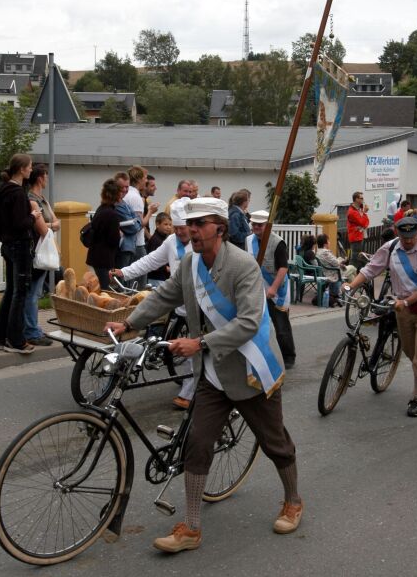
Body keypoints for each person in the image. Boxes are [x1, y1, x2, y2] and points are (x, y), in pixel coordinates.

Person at [106, 196, 303, 553]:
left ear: (220, 229)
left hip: (249, 370)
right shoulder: (190, 264)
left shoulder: (243, 266)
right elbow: (164, 296)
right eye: (190, 225)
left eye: (200, 225)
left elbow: (246, 323)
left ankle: (292, 500)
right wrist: (129, 323)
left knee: (275, 443)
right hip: (212, 375)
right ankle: (192, 527)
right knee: (198, 445)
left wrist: (199, 343)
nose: (191, 231)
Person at [345, 214, 417, 418]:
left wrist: (406, 301)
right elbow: (371, 269)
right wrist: (350, 286)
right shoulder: (390, 248)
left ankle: (415, 398)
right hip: (402, 309)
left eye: (412, 237)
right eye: (404, 237)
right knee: (408, 350)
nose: (408, 241)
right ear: (397, 232)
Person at [111, 198, 195, 410]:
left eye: (183, 228)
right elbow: (150, 261)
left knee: (193, 348)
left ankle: (189, 392)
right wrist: (124, 271)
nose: (180, 232)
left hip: (200, 304)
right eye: (176, 228)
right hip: (178, 300)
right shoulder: (171, 242)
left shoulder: (199, 243)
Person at [0, 154, 46, 354]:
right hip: (20, 247)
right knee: (20, 293)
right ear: (22, 169)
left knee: (10, 291)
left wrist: (0, 235)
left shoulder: (2, 189)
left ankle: (1, 337)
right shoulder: (17, 193)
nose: (31, 170)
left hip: (8, 246)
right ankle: (16, 340)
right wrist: (33, 216)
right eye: (30, 167)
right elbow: (19, 224)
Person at [246, 210, 296, 368]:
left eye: (259, 225)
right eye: (254, 224)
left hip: (276, 289)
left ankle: (289, 356)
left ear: (267, 226)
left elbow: (283, 268)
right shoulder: (248, 241)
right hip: (257, 287)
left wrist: (273, 288)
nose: (256, 227)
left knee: (281, 326)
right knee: (259, 324)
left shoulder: (277, 242)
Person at [24, 163, 60, 346]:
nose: (47, 179)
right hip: (37, 250)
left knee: (36, 291)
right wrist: (50, 226)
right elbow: (43, 228)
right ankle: (31, 330)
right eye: (46, 176)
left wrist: (50, 226)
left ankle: (32, 327)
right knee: (32, 292)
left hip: (45, 248)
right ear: (40, 178)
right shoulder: (32, 199)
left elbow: (55, 222)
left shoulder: (42, 199)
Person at [86, 179, 121, 289]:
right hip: (104, 260)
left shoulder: (101, 209)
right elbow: (114, 240)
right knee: (104, 291)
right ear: (116, 195)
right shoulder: (113, 214)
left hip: (94, 257)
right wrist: (119, 234)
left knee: (95, 289)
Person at [124, 165, 156, 289]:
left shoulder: (128, 194)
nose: (146, 181)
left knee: (130, 281)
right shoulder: (136, 197)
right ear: (138, 179)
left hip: (131, 244)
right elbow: (140, 224)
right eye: (145, 178)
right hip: (137, 244)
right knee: (139, 284)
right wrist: (150, 212)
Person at [315, 233, 356, 303]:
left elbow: (333, 262)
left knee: (351, 276)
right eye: (328, 241)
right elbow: (336, 263)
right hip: (333, 273)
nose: (329, 242)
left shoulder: (318, 251)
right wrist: (343, 260)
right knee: (353, 268)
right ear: (325, 244)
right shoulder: (325, 252)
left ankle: (353, 296)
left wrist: (339, 261)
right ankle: (355, 291)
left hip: (329, 271)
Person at [114, 172, 142, 269]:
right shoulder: (117, 204)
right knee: (121, 279)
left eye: (127, 187)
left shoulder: (123, 201)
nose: (125, 190)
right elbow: (133, 227)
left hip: (129, 247)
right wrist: (137, 220)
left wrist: (136, 220)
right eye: (122, 187)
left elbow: (136, 220)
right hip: (123, 248)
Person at [145, 212, 172, 287]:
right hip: (156, 278)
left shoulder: (164, 239)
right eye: (165, 224)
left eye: (170, 225)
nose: (168, 227)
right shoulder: (155, 240)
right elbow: (152, 260)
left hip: (162, 277)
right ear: (157, 224)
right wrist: (166, 268)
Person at [347, 191, 370, 267]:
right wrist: (365, 213)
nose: (363, 199)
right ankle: (349, 275)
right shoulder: (352, 212)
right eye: (361, 198)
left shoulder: (359, 209)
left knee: (361, 257)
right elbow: (363, 222)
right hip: (356, 237)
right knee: (355, 258)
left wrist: (363, 215)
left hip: (360, 235)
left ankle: (361, 275)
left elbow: (366, 223)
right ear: (356, 199)